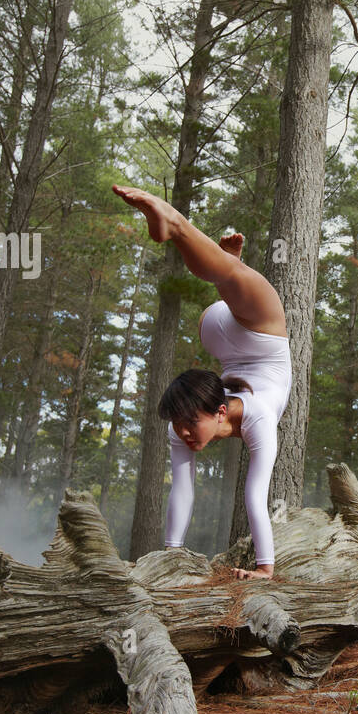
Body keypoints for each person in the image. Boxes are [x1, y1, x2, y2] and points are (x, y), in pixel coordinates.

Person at [114, 184, 289, 579]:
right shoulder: (189, 418)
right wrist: (172, 554)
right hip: (225, 331)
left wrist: (265, 568)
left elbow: (254, 497)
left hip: (250, 335)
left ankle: (178, 226)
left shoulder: (257, 418)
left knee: (233, 276)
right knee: (231, 277)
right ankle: (226, 268)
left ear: (220, 411)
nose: (184, 434)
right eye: (178, 427)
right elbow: (182, 488)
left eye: (189, 426)